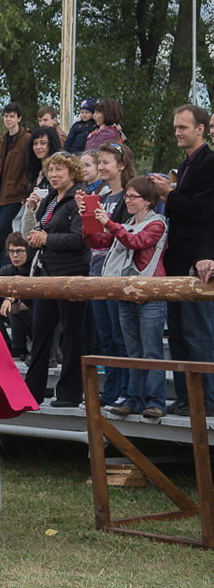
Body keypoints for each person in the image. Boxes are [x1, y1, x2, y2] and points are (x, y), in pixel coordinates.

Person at [151, 105, 214, 416]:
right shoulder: (186, 164)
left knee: (197, 333)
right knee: (176, 333)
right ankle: (186, 398)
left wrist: (169, 195)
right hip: (177, 261)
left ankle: (206, 400)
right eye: (176, 127)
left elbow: (204, 213)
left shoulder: (210, 163)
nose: (177, 132)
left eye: (183, 128)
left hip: (198, 261)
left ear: (200, 129)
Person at [89, 176, 168, 419]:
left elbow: (135, 242)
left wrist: (109, 223)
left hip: (151, 295)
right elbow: (100, 241)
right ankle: (134, 399)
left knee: (151, 351)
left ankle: (155, 402)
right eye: (127, 196)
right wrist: (88, 221)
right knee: (133, 351)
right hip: (126, 294)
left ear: (148, 200)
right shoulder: (127, 223)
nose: (128, 200)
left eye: (133, 197)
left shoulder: (158, 224)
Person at [24, 153, 91, 407]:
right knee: (41, 332)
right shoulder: (50, 199)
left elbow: (80, 239)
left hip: (72, 274)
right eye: (50, 170)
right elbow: (38, 229)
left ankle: (70, 393)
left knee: (72, 334)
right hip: (46, 273)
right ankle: (33, 390)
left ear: (72, 173)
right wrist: (32, 218)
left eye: (58, 170)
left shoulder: (79, 199)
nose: (53, 174)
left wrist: (47, 240)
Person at [78, 141, 134, 405]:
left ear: (121, 165)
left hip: (118, 272)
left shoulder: (128, 197)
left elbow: (124, 237)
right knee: (106, 337)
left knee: (119, 336)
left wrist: (103, 225)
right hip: (97, 269)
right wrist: (87, 221)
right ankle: (112, 390)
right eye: (98, 162)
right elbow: (96, 240)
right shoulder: (102, 196)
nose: (100, 167)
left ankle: (126, 390)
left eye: (106, 162)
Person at [0, 103, 32, 271]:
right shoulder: (4, 139)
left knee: (0, 228)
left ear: (19, 118)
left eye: (12, 116)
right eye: (6, 116)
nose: (8, 119)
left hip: (16, 192)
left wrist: (24, 189)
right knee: (4, 230)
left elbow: (28, 166)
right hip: (2, 190)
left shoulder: (26, 139)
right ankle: (6, 267)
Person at [0, 233, 34, 361]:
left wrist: (9, 299)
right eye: (11, 251)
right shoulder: (9, 269)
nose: (15, 255)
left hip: (38, 321)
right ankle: (5, 344)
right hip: (21, 319)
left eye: (19, 251)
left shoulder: (34, 269)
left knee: (15, 307)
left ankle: (19, 347)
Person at [19, 126, 63, 237]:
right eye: (35, 143)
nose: (38, 147)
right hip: (34, 229)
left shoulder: (59, 175)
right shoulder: (35, 173)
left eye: (43, 143)